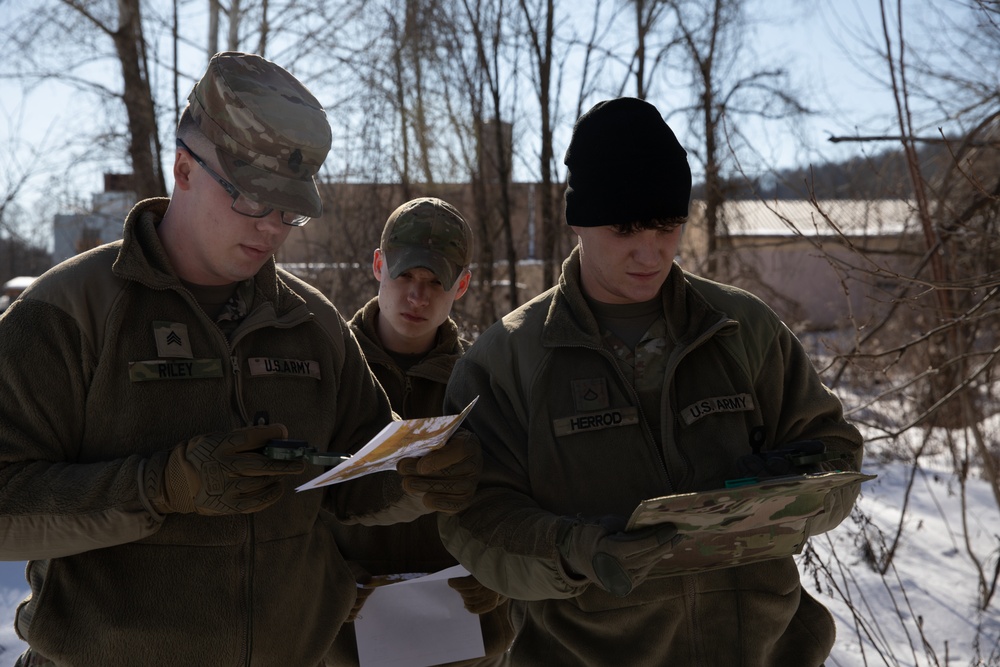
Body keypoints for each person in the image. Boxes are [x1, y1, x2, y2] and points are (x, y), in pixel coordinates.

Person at [0, 52, 480, 667]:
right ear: (183, 169)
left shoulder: (312, 323)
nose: (272, 230)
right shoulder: (73, 311)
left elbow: (353, 482)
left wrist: (419, 479)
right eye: (252, 200)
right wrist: (160, 486)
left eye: (289, 211)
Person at [438, 97, 865, 666]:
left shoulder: (742, 329)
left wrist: (802, 489)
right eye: (625, 229)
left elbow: (837, 453)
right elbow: (474, 520)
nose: (651, 251)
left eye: (667, 226)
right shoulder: (508, 359)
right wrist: (575, 550)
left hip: (765, 649)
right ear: (580, 222)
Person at [328, 197, 514, 666]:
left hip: (463, 639)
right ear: (378, 265)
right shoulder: (328, 372)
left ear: (463, 285)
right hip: (346, 639)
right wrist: (321, 574)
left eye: (435, 282)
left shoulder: (483, 384)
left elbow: (515, 499)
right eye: (406, 276)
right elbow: (289, 501)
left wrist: (496, 570)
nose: (418, 296)